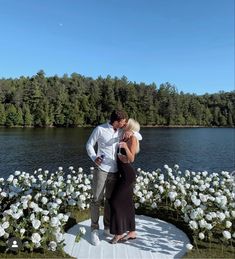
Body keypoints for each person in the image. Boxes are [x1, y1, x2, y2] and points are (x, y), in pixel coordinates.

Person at [86, 110, 142, 246]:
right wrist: (94, 157)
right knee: (96, 200)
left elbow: (138, 136)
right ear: (116, 121)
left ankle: (107, 227)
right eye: (123, 121)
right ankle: (94, 230)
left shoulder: (122, 132)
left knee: (110, 200)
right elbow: (89, 145)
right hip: (101, 170)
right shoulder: (100, 129)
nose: (125, 124)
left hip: (116, 172)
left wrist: (132, 133)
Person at [109, 118, 141, 244]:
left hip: (128, 175)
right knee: (127, 203)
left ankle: (119, 233)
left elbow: (131, 158)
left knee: (115, 201)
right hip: (122, 173)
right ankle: (132, 232)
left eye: (126, 125)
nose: (124, 125)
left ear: (130, 127)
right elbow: (139, 134)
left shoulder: (132, 138)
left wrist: (124, 148)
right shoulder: (125, 136)